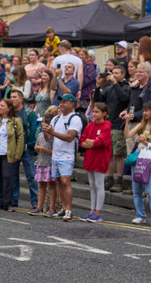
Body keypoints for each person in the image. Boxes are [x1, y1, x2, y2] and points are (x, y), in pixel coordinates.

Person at [43, 94, 83, 222]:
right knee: (59, 181)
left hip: (67, 154)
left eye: (65, 102)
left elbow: (70, 137)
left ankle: (69, 210)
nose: (61, 104)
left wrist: (52, 132)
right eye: (61, 101)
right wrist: (45, 131)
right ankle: (64, 209)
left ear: (72, 104)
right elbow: (49, 139)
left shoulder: (75, 118)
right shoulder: (55, 119)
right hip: (56, 154)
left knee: (65, 181)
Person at [94, 66, 130, 193]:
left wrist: (115, 83)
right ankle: (109, 179)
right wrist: (98, 86)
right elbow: (98, 101)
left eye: (116, 73)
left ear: (123, 74)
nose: (113, 75)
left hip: (118, 124)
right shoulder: (109, 88)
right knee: (108, 154)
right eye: (112, 73)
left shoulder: (126, 87)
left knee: (118, 154)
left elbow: (124, 99)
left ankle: (119, 180)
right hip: (108, 124)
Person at [123, 101, 151, 227]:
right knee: (136, 189)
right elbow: (127, 135)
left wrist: (145, 143)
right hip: (138, 158)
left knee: (150, 189)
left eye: (146, 111)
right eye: (143, 111)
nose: (144, 113)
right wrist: (127, 122)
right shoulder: (141, 125)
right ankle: (140, 215)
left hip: (150, 159)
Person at [79, 103, 112, 223]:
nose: (94, 114)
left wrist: (90, 142)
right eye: (93, 111)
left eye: (97, 112)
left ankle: (98, 212)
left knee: (99, 185)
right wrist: (91, 142)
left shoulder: (106, 126)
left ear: (104, 113)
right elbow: (82, 141)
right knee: (92, 185)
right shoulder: (90, 126)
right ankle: (92, 210)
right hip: (90, 157)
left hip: (100, 158)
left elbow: (99, 143)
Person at [120, 62, 151, 157]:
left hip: (143, 125)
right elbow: (132, 104)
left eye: (141, 72)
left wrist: (134, 115)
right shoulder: (135, 88)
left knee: (140, 156)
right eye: (137, 71)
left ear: (148, 73)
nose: (138, 74)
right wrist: (126, 110)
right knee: (131, 155)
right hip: (131, 123)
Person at [9, 89, 39, 209]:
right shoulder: (10, 113)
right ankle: (14, 200)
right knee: (13, 176)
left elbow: (34, 130)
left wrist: (31, 145)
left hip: (26, 148)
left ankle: (35, 201)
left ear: (21, 98)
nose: (12, 99)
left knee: (31, 176)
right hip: (13, 148)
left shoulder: (29, 113)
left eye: (15, 97)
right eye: (11, 97)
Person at [28, 112, 56, 217]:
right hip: (41, 162)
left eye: (45, 122)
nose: (43, 124)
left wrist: (45, 150)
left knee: (52, 186)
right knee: (41, 185)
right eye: (43, 122)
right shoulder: (40, 134)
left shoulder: (54, 135)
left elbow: (55, 152)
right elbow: (36, 146)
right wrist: (37, 148)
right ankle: (38, 207)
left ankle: (51, 208)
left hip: (50, 163)